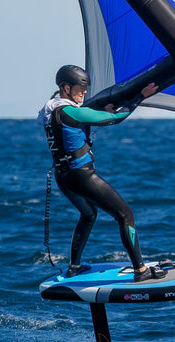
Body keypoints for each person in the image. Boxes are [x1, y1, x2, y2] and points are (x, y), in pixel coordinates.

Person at [37, 64, 164, 281]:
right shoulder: (70, 111)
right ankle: (141, 271)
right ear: (66, 88)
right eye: (80, 88)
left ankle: (74, 266)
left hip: (63, 177)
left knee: (89, 214)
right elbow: (116, 118)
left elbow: (76, 127)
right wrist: (140, 97)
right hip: (81, 176)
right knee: (125, 215)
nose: (84, 91)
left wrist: (103, 111)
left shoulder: (51, 111)